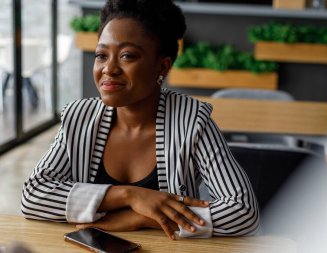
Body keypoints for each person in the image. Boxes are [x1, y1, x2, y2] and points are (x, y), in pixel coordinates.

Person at [21, 0, 259, 239]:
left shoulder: (192, 120)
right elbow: (33, 195)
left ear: (162, 66)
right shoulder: (78, 117)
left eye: (127, 56)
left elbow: (242, 211)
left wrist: (144, 217)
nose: (109, 69)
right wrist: (130, 196)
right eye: (101, 55)